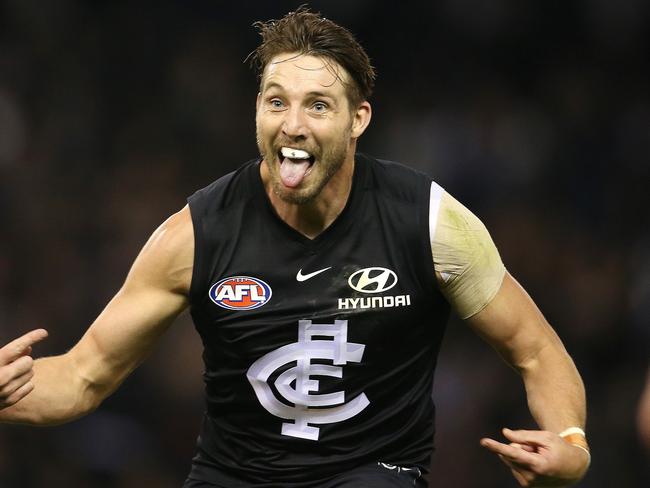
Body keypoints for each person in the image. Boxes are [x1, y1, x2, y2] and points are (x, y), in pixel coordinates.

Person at [0, 7, 590, 487]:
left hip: (372, 473)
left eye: (318, 105)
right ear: (257, 109)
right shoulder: (197, 234)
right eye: (276, 101)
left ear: (358, 119)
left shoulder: (430, 222)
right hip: (232, 476)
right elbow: (81, 378)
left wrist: (571, 444)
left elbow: (537, 353)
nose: (293, 124)